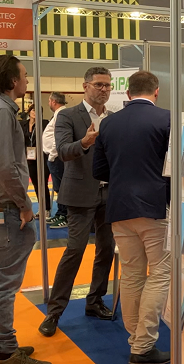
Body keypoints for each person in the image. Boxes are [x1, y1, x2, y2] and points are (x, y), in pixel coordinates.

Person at [93, 71, 171, 364]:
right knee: (160, 273)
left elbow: (99, 170)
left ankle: (136, 341)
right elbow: (177, 166)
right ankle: (143, 345)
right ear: (156, 91)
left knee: (132, 274)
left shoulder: (108, 123)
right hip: (154, 208)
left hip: (119, 207)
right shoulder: (167, 119)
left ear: (127, 93)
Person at [39, 67, 116, 338]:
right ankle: (54, 312)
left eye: (107, 85)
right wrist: (84, 142)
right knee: (74, 250)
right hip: (80, 194)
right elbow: (61, 151)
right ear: (85, 86)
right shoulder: (68, 115)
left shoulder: (113, 118)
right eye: (98, 85)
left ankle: (95, 301)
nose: (104, 90)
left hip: (109, 194)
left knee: (106, 249)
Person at [0, 55, 51, 364]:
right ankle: (6, 350)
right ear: (12, 81)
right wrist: (24, 205)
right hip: (8, 210)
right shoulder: (3, 112)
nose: (27, 80)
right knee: (6, 284)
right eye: (24, 75)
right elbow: (6, 167)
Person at [41, 93, 68, 227]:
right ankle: (60, 213)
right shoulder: (59, 114)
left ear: (53, 101)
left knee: (61, 187)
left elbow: (57, 137)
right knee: (58, 187)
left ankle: (64, 215)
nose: (48, 104)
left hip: (56, 157)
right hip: (54, 156)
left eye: (49, 101)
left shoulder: (61, 114)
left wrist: (52, 155)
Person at [21, 105, 51, 218]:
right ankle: (41, 208)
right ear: (29, 111)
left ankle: (46, 209)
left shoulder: (44, 123)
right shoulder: (22, 124)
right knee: (35, 184)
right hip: (29, 158)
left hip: (42, 157)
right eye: (33, 110)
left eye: (38, 111)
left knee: (43, 183)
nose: (35, 112)